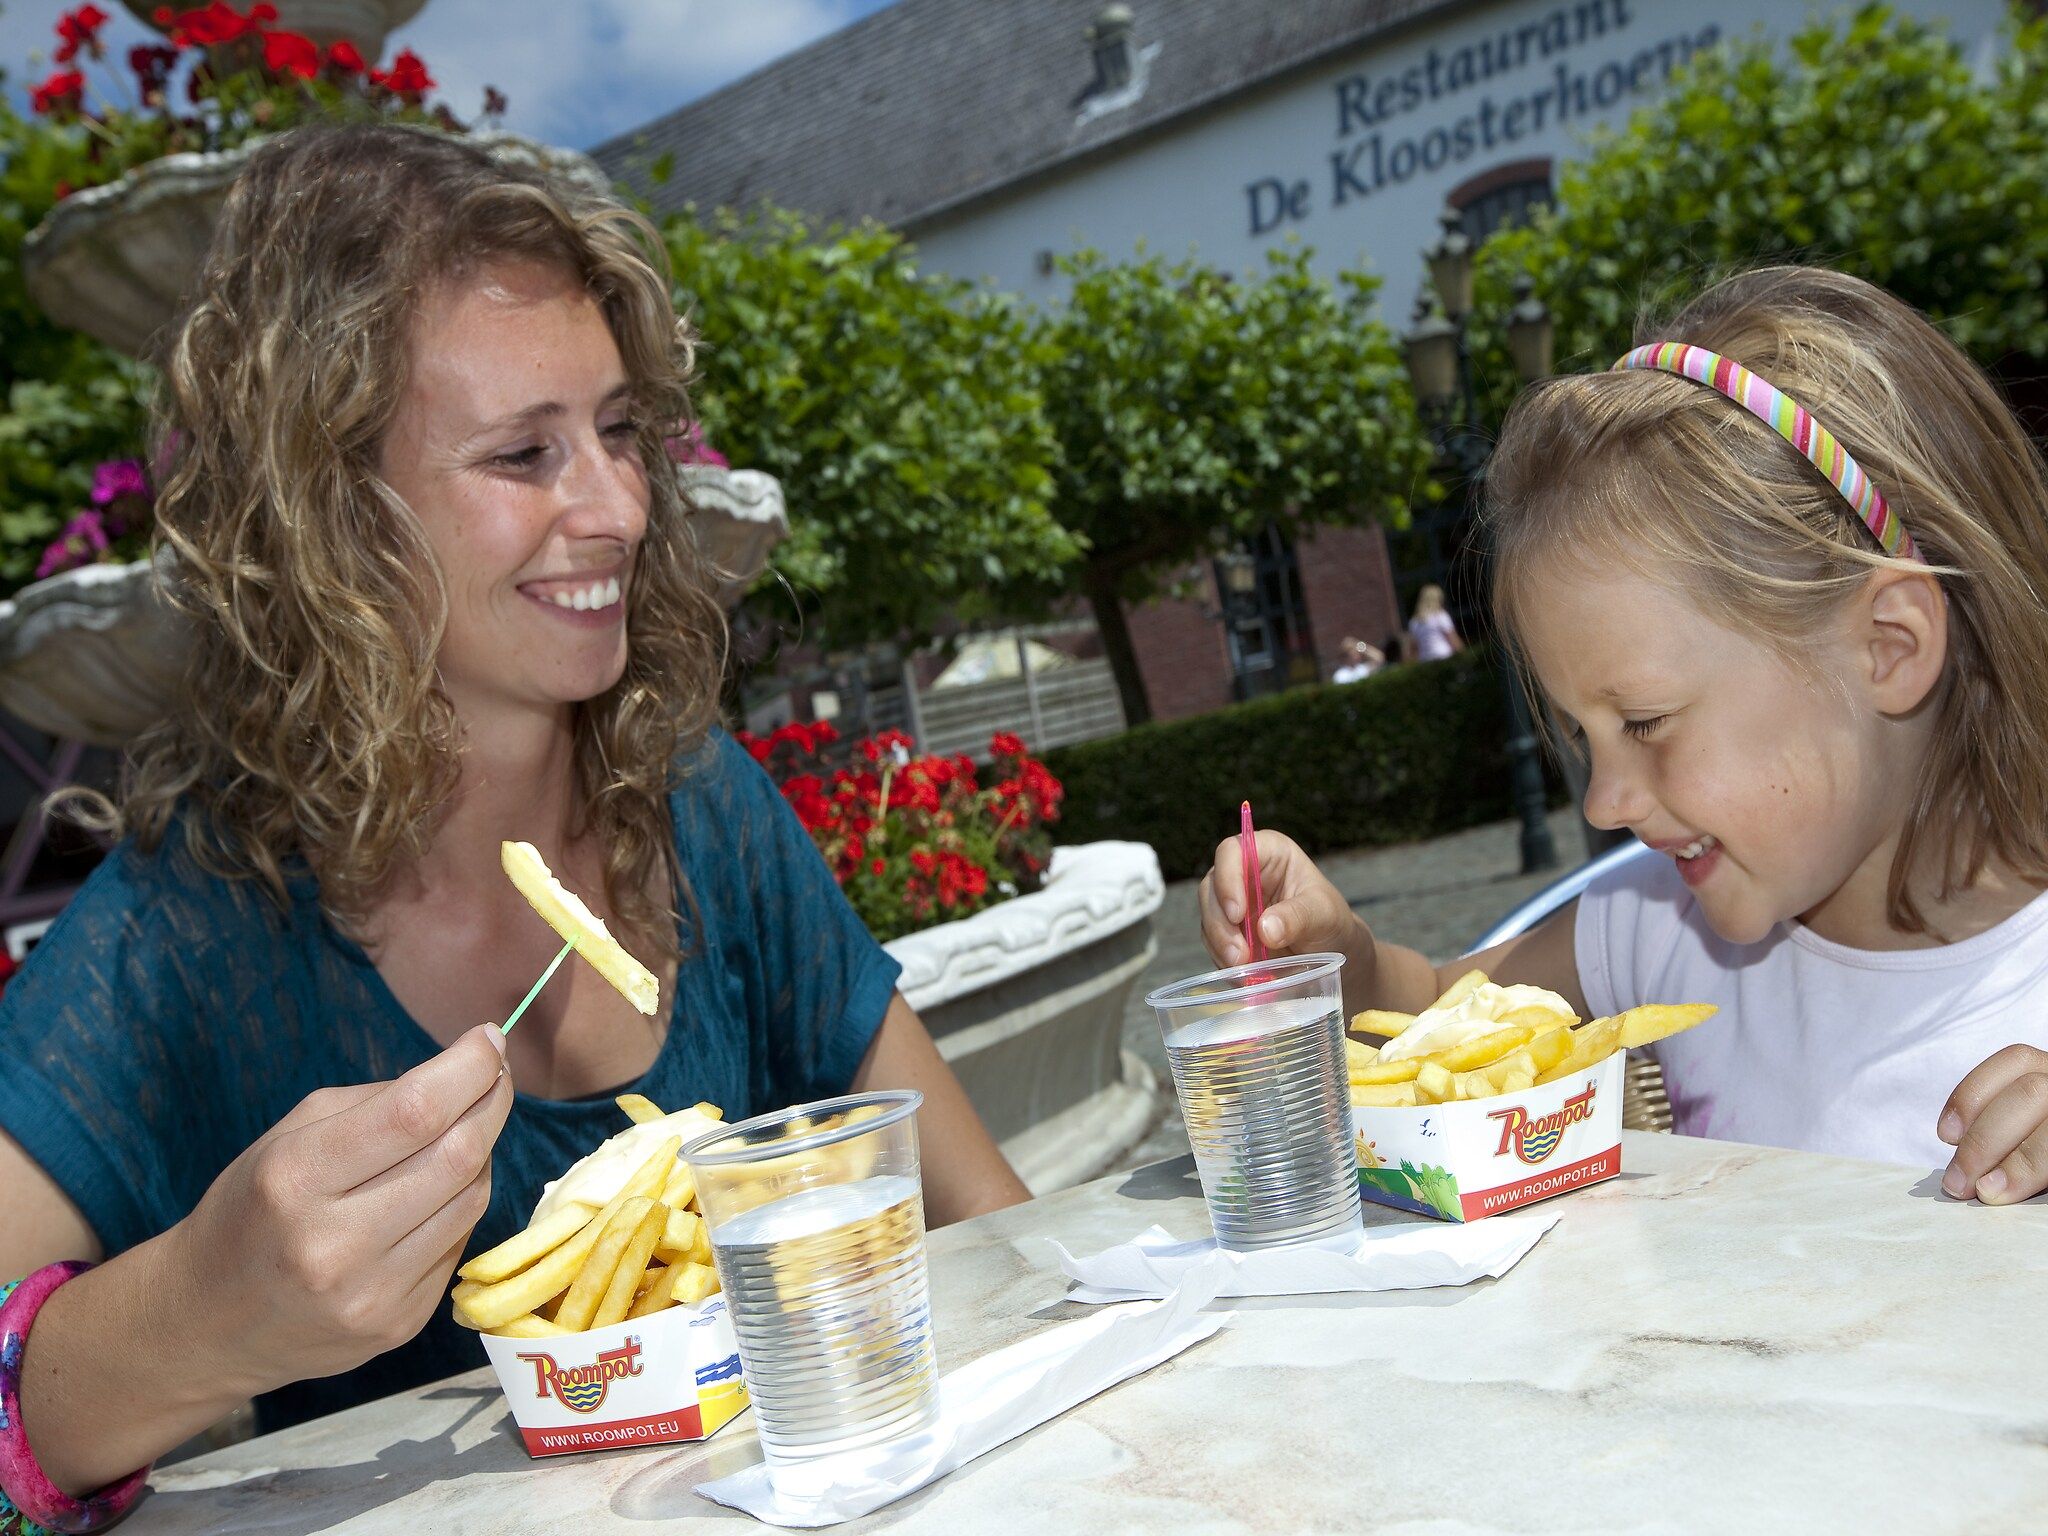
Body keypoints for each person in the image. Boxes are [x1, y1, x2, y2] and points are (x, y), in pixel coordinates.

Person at [0, 124, 1028, 1523]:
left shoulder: (698, 807)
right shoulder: (188, 937)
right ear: (331, 514)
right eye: (520, 454)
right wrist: (199, 1316)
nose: (614, 505)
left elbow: (996, 1238)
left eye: (617, 432)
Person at [1201, 266, 2048, 1207]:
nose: (1604, 801)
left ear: (1888, 647)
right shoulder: (1656, 930)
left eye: (1644, 722)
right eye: (1581, 734)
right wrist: (1340, 959)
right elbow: (1433, 1013)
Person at [1405, 583, 1463, 661]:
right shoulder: (1441, 616)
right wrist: (1463, 654)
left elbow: (1414, 647)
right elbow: (1452, 639)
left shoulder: (1414, 622)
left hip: (1425, 660)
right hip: (1443, 656)